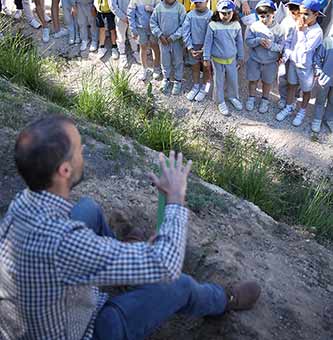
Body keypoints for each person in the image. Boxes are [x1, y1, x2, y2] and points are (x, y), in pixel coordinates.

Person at [0, 115, 261, 339]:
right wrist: (175, 199)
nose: (84, 153)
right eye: (79, 149)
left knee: (88, 209)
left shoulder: (23, 203)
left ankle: (126, 266)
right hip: (82, 330)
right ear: (65, 170)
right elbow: (166, 266)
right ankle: (224, 300)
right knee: (177, 285)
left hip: (46, 311)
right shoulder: (63, 243)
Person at [276, 0, 323, 127]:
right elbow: (290, 42)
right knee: (291, 85)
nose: (303, 16)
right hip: (293, 62)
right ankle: (289, 106)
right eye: (301, 13)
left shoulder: (317, 31)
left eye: (307, 14)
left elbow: (307, 49)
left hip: (306, 67)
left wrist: (301, 32)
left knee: (306, 90)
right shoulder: (298, 25)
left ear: (316, 14)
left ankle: (302, 111)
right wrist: (285, 57)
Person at [203, 0, 244, 116]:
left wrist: (241, 57)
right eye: (223, 13)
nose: (226, 16)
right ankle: (220, 101)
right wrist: (206, 58)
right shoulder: (213, 25)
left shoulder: (236, 25)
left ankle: (233, 97)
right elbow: (208, 43)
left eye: (228, 13)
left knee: (233, 80)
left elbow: (240, 42)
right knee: (218, 81)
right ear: (218, 13)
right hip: (217, 61)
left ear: (233, 13)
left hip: (232, 59)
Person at [245, 0, 284, 113]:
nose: (265, 19)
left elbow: (282, 46)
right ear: (257, 15)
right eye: (262, 16)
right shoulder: (254, 26)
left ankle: (265, 99)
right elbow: (248, 41)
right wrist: (257, 40)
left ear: (273, 14)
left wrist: (271, 45)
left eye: (268, 16)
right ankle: (251, 97)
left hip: (270, 62)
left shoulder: (279, 29)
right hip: (255, 59)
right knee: (253, 80)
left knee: (267, 82)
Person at [150, 0, 186, 95]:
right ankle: (166, 78)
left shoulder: (180, 8)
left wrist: (173, 37)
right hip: (163, 41)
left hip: (176, 42)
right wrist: (160, 35)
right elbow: (153, 22)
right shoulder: (159, 7)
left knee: (178, 60)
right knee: (165, 60)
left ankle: (178, 80)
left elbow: (184, 25)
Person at [127, 0, 161, 80]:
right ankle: (144, 68)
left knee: (155, 47)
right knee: (143, 48)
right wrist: (133, 30)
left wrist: (153, 9)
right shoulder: (135, 0)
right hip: (141, 28)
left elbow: (160, 12)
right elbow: (130, 15)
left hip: (153, 29)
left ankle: (156, 67)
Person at [183, 0, 212, 102]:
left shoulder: (211, 16)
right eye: (195, 2)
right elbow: (185, 32)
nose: (198, 4)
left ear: (207, 0)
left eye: (200, 1)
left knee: (206, 68)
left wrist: (205, 48)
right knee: (195, 67)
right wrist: (190, 47)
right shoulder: (190, 15)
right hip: (193, 47)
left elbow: (211, 35)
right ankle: (195, 86)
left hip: (206, 47)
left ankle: (205, 88)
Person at [108, 0, 139, 67]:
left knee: (133, 35)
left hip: (132, 16)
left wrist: (134, 14)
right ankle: (122, 54)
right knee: (121, 36)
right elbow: (113, 5)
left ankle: (135, 51)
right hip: (120, 18)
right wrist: (122, 16)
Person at [277, 0, 304, 110]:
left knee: (296, 78)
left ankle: (294, 97)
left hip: (298, 57)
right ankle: (283, 97)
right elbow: (281, 38)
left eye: (296, 9)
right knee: (283, 76)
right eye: (291, 9)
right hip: (285, 55)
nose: (293, 12)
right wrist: (279, 53)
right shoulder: (286, 21)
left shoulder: (304, 24)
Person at [312, 25, 333, 133]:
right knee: (320, 100)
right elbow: (317, 58)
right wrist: (319, 72)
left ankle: (329, 118)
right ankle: (317, 119)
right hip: (324, 79)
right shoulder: (328, 42)